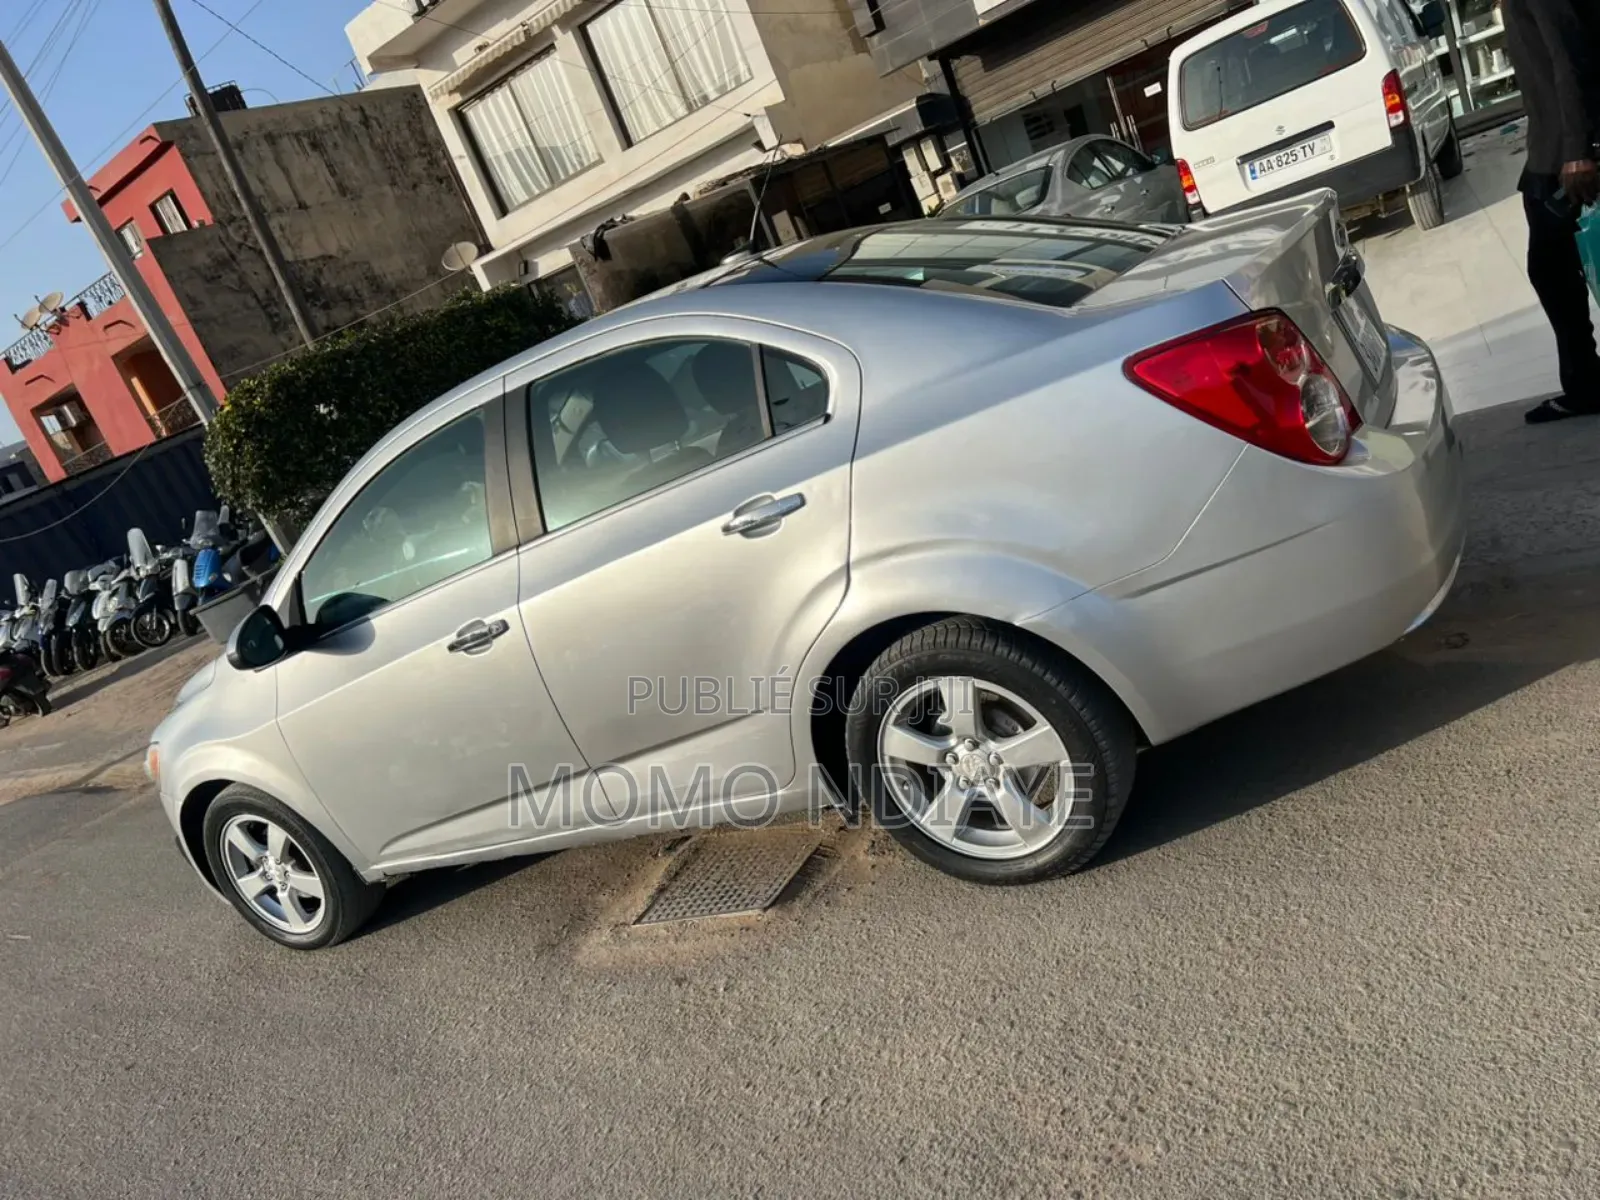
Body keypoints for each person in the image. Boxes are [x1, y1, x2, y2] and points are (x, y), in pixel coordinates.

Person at [1502, 0, 1600, 422]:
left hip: (1567, 151)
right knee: (1552, 268)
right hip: (1551, 147)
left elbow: (1568, 54)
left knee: (1552, 267)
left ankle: (1585, 387)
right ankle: (1584, 383)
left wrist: (1580, 150)